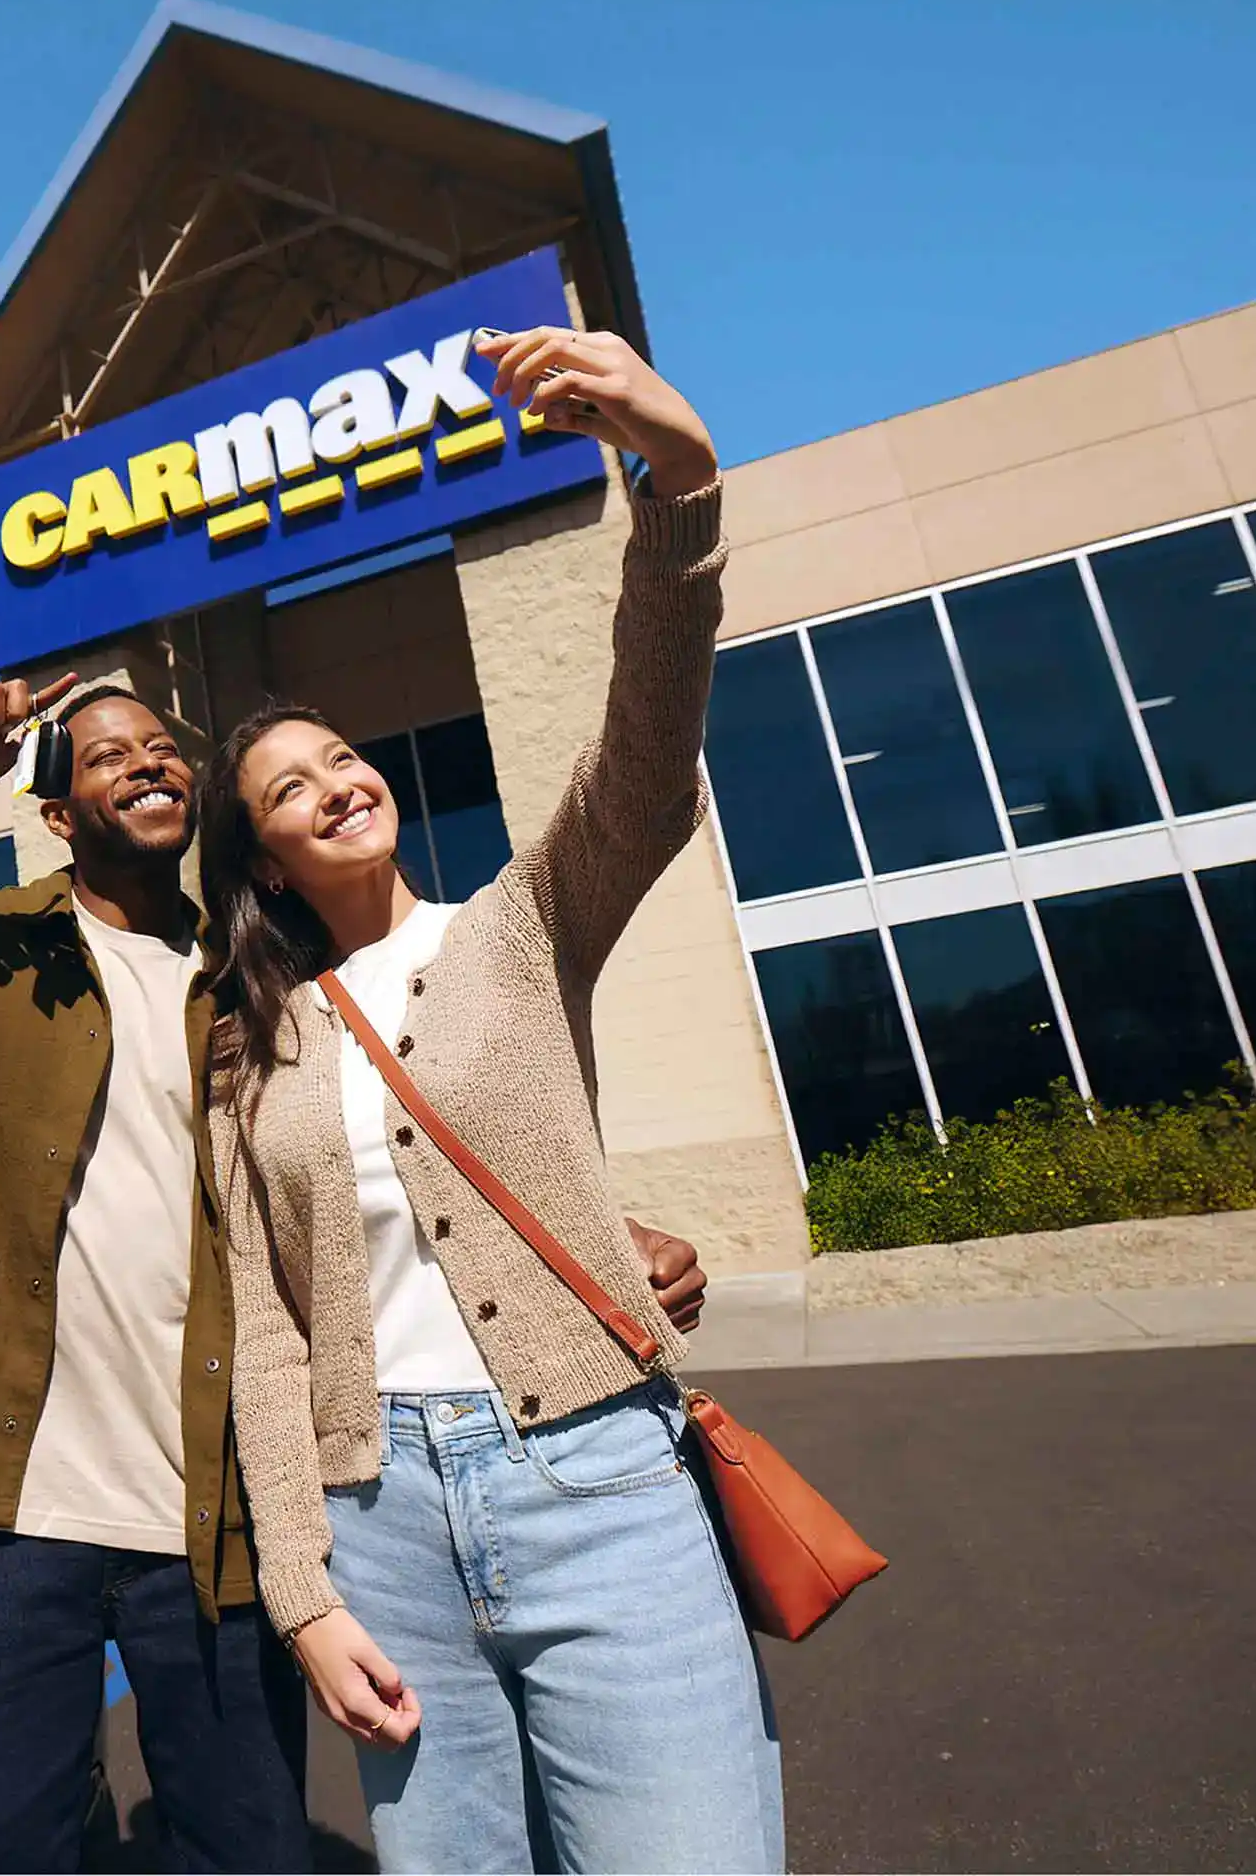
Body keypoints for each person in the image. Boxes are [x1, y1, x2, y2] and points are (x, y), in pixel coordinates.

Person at [0, 655, 715, 1871]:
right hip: (7, 1508)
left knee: (251, 1852)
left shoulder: (257, 991)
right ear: (55, 813)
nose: (145, 761)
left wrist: (599, 1240)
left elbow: (376, 1176)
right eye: (106, 754)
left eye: (163, 749)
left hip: (216, 1516)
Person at [197, 322, 783, 1876]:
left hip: (597, 1477)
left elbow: (645, 760)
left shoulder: (518, 928)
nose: (337, 781)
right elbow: (269, 1324)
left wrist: (679, 486)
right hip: (378, 1511)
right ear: (266, 859)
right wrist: (305, 1597)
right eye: (291, 788)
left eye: (343, 756)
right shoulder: (249, 1052)